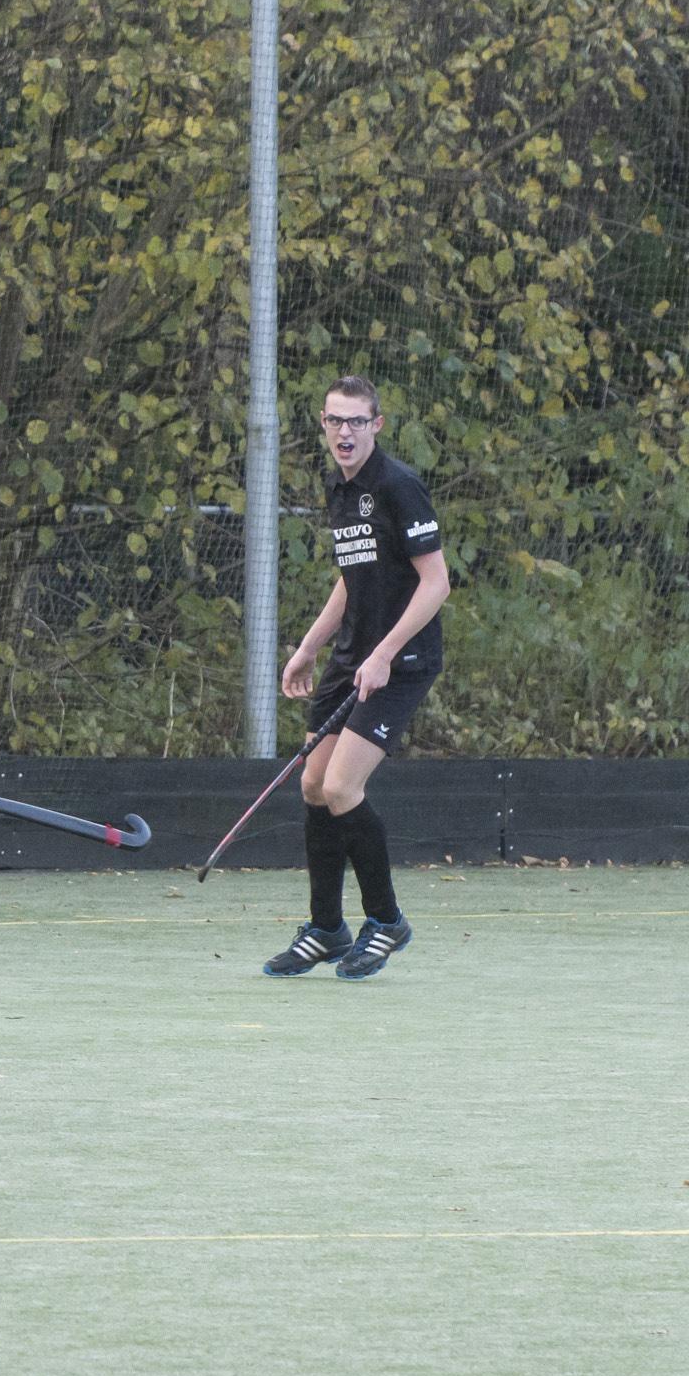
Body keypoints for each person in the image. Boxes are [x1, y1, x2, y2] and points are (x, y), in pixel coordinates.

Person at [265, 375, 451, 981]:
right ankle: (326, 929)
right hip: (352, 656)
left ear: (377, 425)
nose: (344, 432)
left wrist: (386, 653)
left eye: (356, 421)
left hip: (402, 661)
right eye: (334, 421)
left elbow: (436, 583)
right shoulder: (339, 488)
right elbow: (353, 577)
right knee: (313, 786)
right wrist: (308, 648)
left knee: (343, 787)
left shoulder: (398, 486)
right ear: (323, 425)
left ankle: (387, 921)